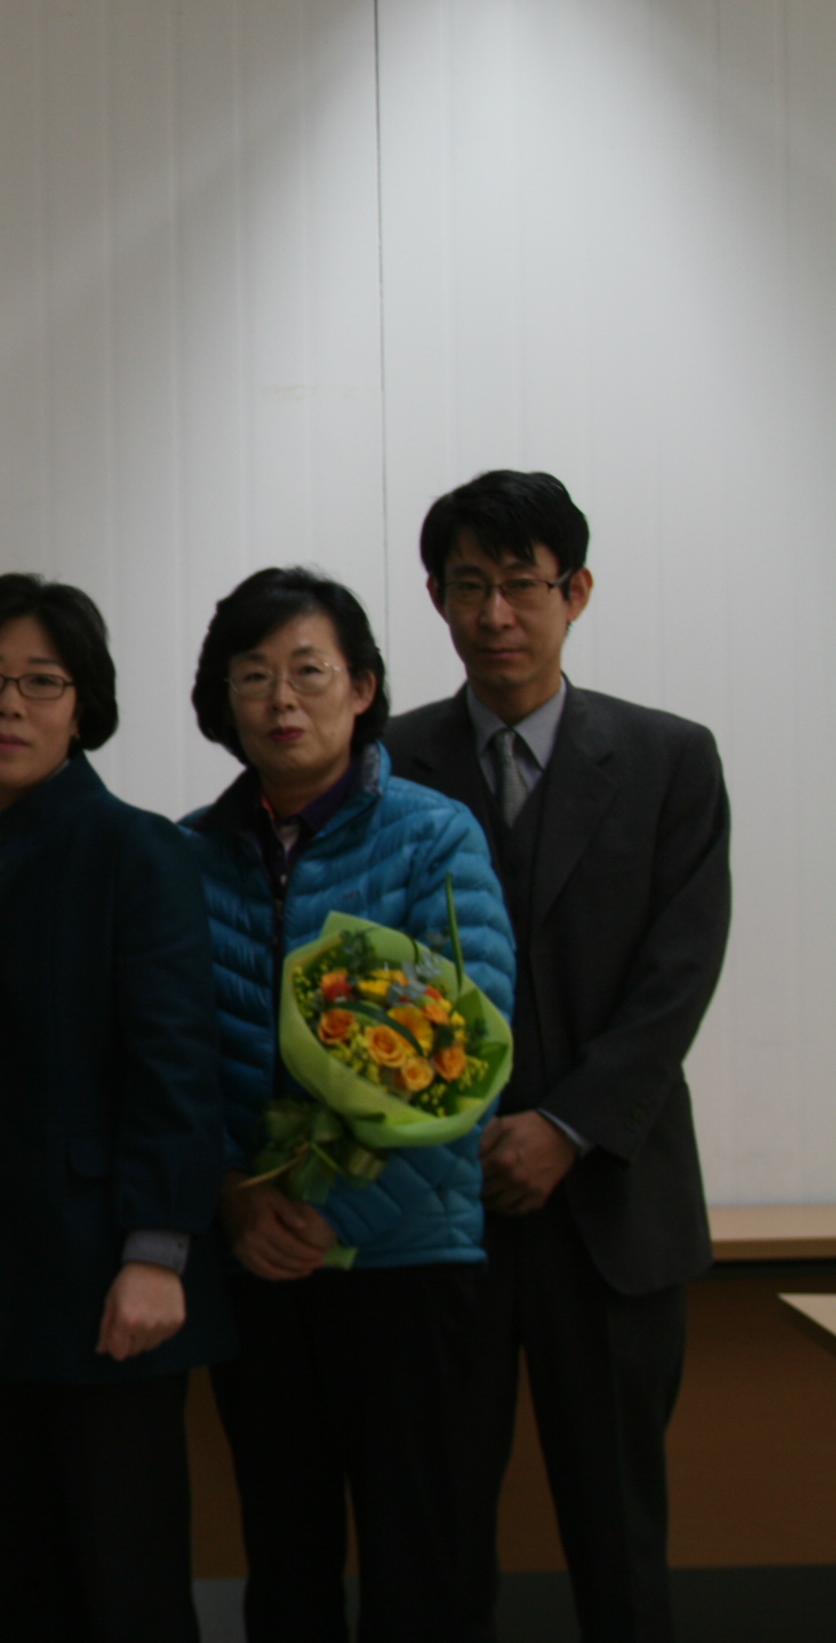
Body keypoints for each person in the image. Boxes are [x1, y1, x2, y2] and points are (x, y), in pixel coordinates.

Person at [385, 472, 730, 1643]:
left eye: (520, 584)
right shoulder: (384, 762)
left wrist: (566, 1126)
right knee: (435, 1532)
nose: (493, 613)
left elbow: (676, 975)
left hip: (611, 1211)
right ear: (434, 597)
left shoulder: (669, 758)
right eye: (467, 585)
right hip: (439, 1209)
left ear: (573, 591)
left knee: (618, 1534)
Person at [178, 566, 516, 1643]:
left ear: (362, 686)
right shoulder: (185, 854)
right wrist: (234, 1199)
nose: (281, 699)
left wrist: (334, 1219)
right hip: (257, 1266)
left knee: (426, 1566)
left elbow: (465, 1060)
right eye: (252, 675)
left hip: (407, 1262)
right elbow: (171, 1065)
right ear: (223, 699)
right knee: (285, 1565)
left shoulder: (432, 836)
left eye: (308, 671)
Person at [0, 577, 231, 1643]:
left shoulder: (136, 849)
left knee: (123, 1583)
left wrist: (156, 1249)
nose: (9, 704)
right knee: (0, 1580)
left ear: (83, 706)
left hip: (100, 1274)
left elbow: (177, 1064)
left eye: (42, 682)